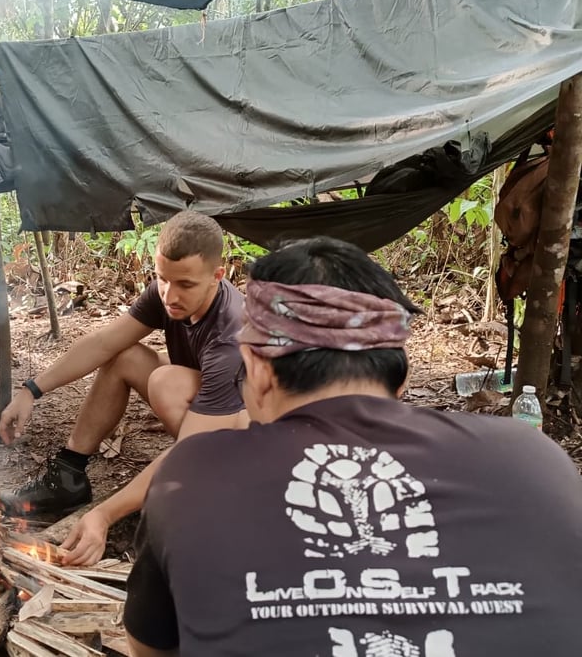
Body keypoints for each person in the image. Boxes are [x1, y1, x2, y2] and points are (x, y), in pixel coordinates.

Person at [123, 236, 582, 657]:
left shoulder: (192, 477)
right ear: (401, 375)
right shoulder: (534, 459)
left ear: (258, 370)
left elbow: (151, 651)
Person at [0, 211, 248, 566]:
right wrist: (31, 390)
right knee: (125, 355)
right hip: (211, 414)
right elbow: (104, 343)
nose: (170, 295)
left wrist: (104, 515)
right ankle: (68, 475)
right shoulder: (167, 293)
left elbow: (192, 447)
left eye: (186, 285)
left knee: (166, 384)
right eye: (162, 279)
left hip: (250, 443)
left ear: (217, 277)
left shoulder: (231, 336)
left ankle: (210, 486)